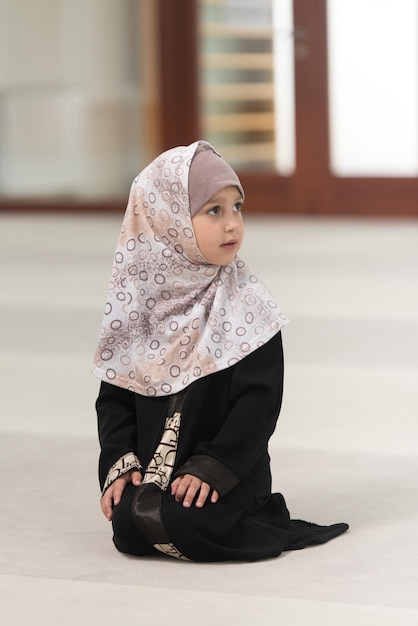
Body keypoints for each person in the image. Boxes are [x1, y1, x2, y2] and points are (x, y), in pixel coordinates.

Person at [93, 140, 348, 561]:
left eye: (237, 207)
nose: (232, 224)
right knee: (127, 524)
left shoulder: (249, 307)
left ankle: (234, 506)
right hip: (159, 472)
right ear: (164, 221)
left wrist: (214, 465)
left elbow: (259, 403)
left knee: (195, 523)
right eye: (214, 210)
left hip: (227, 471)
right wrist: (120, 462)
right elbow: (114, 397)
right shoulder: (138, 307)